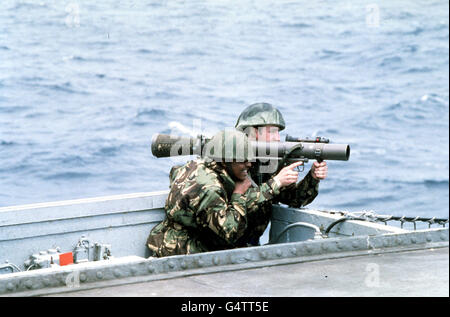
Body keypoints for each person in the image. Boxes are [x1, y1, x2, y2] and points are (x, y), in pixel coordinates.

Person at [146, 129, 304, 257]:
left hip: (169, 239)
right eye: (242, 161)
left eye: (249, 159)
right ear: (224, 160)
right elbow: (230, 232)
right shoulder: (210, 188)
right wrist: (238, 195)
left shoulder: (197, 165)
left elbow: (174, 173)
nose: (248, 165)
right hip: (181, 249)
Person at [233, 102, 328, 245]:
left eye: (278, 132)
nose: (277, 138)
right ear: (252, 132)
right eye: (271, 132)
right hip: (219, 245)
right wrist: (276, 182)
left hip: (249, 243)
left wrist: (312, 178)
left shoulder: (270, 161)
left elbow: (293, 200)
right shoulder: (230, 161)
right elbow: (238, 204)